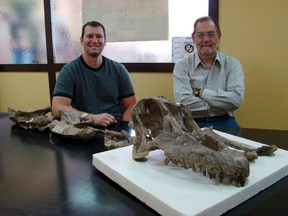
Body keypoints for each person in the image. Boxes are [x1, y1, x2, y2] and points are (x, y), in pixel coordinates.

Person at [52, 21, 136, 128]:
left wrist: (124, 127)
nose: (95, 40)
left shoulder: (119, 70)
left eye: (99, 36)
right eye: (90, 36)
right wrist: (90, 117)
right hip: (84, 128)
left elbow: (131, 106)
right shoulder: (69, 71)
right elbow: (57, 108)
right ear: (82, 40)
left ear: (105, 41)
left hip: (115, 127)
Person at [173, 16, 244, 129]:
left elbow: (236, 100)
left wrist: (200, 92)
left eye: (211, 34)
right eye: (200, 35)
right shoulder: (182, 66)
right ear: (193, 38)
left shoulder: (232, 64)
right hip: (192, 121)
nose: (206, 40)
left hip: (224, 120)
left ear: (219, 36)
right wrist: (222, 104)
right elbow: (183, 103)